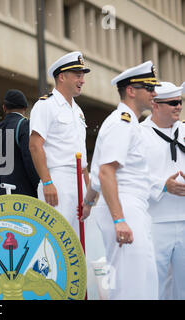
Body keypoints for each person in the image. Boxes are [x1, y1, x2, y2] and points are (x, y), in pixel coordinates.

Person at [82, 61, 160, 300]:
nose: (154, 93)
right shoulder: (122, 122)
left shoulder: (126, 122)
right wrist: (119, 219)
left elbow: (97, 175)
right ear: (131, 91)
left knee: (141, 280)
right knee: (131, 284)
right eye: (149, 88)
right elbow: (106, 172)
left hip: (128, 205)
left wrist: (88, 203)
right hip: (124, 204)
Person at [29, 51, 90, 236]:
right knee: (56, 240)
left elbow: (82, 155)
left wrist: (88, 191)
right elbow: (35, 145)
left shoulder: (78, 111)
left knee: (78, 242)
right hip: (58, 179)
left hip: (78, 180)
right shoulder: (45, 105)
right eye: (77, 76)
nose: (82, 80)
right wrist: (47, 182)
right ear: (62, 77)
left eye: (82, 76)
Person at [140, 81, 185, 299]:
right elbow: (133, 176)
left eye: (180, 102)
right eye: (173, 103)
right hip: (155, 221)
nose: (179, 106)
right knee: (154, 285)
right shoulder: (139, 134)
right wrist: (163, 186)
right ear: (156, 105)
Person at [0, 89, 39, 196]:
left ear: (4, 108)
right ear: (25, 108)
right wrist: (38, 186)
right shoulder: (25, 125)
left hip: (1, 191)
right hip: (23, 193)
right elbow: (30, 161)